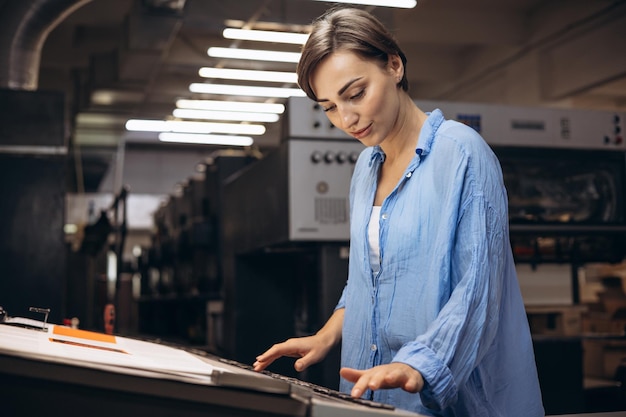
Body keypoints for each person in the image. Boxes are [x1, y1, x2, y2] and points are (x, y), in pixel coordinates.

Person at [253, 7, 544, 417]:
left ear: (394, 65)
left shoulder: (460, 153)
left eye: (355, 94)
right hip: (373, 398)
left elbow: (477, 290)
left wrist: (418, 364)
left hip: (456, 401)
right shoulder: (365, 170)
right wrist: (326, 335)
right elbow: (369, 281)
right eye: (329, 107)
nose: (347, 118)